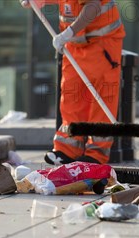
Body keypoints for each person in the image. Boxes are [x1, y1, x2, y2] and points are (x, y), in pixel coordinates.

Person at [20, 0, 125, 165]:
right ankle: (67, 150)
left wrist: (68, 33)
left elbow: (93, 7)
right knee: (71, 96)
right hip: (75, 45)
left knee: (101, 100)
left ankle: (96, 155)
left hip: (101, 44)